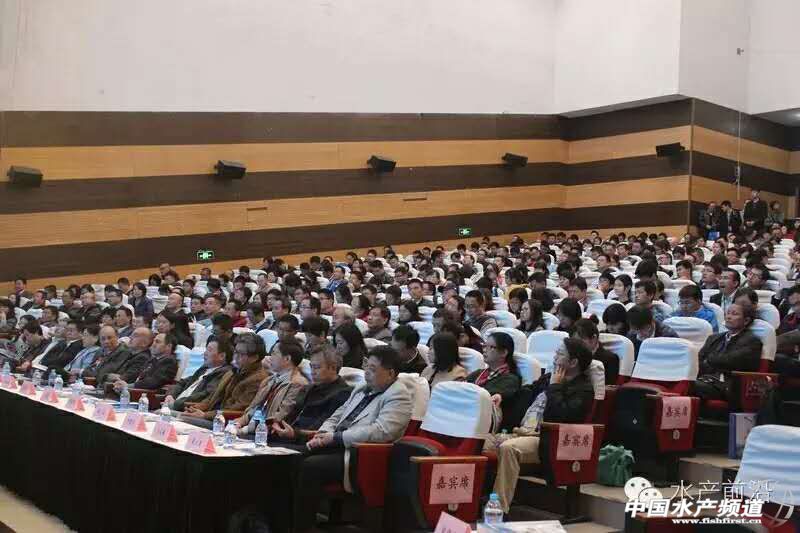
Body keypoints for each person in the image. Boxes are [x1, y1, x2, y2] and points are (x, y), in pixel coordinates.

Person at [293, 346, 412, 532]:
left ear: (390, 373)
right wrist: (323, 433)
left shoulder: (399, 395)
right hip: (335, 443)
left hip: (360, 454)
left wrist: (335, 437)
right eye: (366, 367)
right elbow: (337, 415)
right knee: (292, 457)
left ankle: (302, 527)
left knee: (311, 466)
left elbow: (382, 432)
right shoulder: (361, 388)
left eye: (373, 369)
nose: (367, 373)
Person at [490, 338, 595, 513]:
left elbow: (562, 416)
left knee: (509, 448)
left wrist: (555, 387)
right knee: (481, 441)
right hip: (520, 431)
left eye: (560, 354)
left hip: (546, 439)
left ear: (573, 362)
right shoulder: (548, 377)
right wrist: (502, 395)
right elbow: (526, 393)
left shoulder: (584, 389)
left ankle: (498, 509)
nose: (554, 357)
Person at [181, 333, 269, 428]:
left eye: (241, 354)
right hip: (213, 416)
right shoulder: (232, 372)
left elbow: (239, 410)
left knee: (181, 419)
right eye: (235, 352)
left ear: (254, 358)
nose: (236, 356)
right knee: (178, 416)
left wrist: (205, 415)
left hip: (227, 423)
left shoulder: (258, 379)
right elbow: (212, 399)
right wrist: (196, 408)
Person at [270, 346, 353, 444]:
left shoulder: (343, 393)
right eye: (311, 367)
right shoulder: (311, 388)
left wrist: (294, 433)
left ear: (333, 368)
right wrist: (277, 425)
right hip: (289, 437)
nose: (312, 372)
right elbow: (292, 414)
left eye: (317, 367)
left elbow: (323, 428)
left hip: (310, 442)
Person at [235, 340, 310, 435]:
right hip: (252, 429)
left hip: (269, 434)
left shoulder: (297, 384)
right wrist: (238, 423)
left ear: (287, 359)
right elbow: (254, 409)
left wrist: (246, 430)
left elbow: (281, 416)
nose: (270, 357)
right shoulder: (269, 380)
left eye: (274, 353)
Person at [694, 303, 762, 403]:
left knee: (690, 386)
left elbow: (729, 360)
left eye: (734, 314)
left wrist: (709, 360)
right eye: (728, 313)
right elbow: (699, 360)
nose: (728, 317)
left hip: (728, 385)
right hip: (705, 379)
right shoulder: (714, 338)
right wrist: (710, 363)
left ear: (746, 320)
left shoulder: (752, 341)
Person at [165, 339, 233, 412]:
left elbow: (204, 395)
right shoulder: (203, 369)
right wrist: (171, 395)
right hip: (175, 406)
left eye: (209, 350)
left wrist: (176, 403)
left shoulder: (223, 374)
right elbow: (182, 383)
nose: (205, 353)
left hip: (187, 410)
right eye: (206, 349)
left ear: (222, 356)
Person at [467, 331, 521, 407]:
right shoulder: (478, 373)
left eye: (491, 347)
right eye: (485, 346)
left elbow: (485, 396)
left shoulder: (510, 379)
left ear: (504, 353)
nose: (484, 350)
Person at [112, 332, 179, 393]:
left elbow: (153, 382)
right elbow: (139, 376)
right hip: (135, 392)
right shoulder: (153, 360)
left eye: (157, 342)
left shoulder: (169, 361)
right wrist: (122, 383)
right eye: (153, 341)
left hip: (148, 396)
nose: (153, 345)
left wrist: (128, 386)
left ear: (169, 346)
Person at [573, 318, 619, 385]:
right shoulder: (572, 355)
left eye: (580, 341)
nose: (577, 345)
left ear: (593, 338)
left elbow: (608, 387)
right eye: (575, 341)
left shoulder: (610, 359)